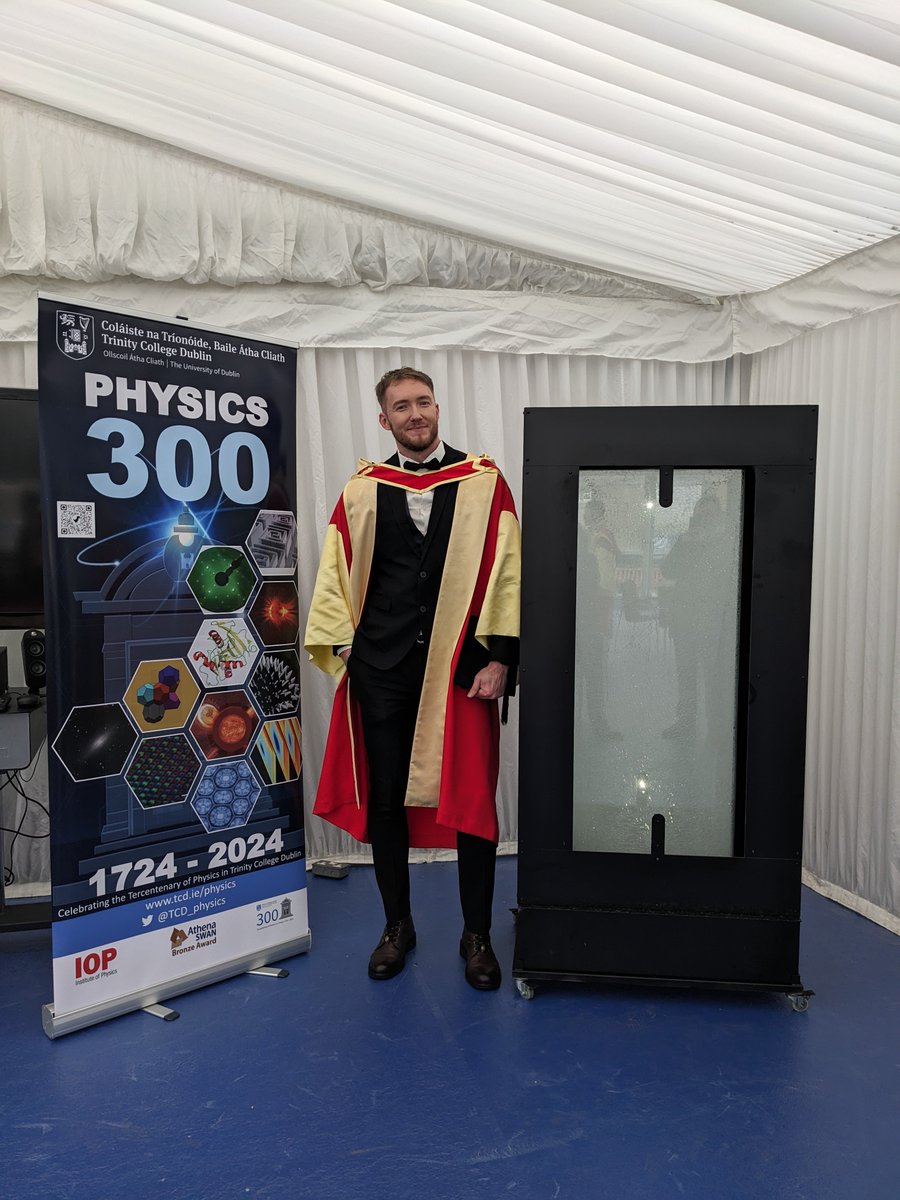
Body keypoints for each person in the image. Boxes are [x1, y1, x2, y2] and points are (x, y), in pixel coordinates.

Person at [304, 367, 520, 990]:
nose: (415, 413)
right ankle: (396, 925)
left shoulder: (484, 483)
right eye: (401, 406)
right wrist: (348, 650)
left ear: (437, 408)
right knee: (388, 800)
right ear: (385, 419)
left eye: (423, 402)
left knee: (473, 798)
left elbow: (508, 571)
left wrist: (500, 657)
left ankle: (475, 933)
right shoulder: (361, 490)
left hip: (463, 667)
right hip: (384, 669)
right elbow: (335, 573)